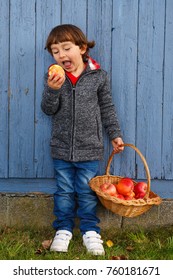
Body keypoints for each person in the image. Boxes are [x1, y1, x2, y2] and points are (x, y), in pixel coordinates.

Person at [41, 24, 124, 255]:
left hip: (90, 148)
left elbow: (107, 107)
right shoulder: (53, 77)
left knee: (86, 192)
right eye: (55, 51)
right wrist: (52, 90)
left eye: (66, 48)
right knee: (64, 191)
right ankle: (63, 230)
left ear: (82, 48)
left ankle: (90, 231)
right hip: (61, 148)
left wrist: (115, 135)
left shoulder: (98, 76)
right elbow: (48, 109)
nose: (61, 55)